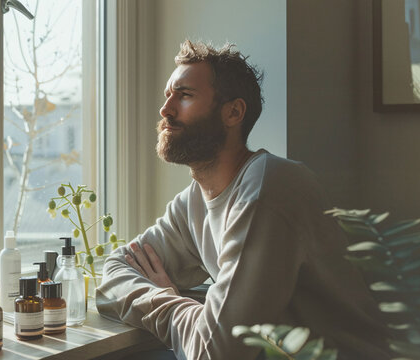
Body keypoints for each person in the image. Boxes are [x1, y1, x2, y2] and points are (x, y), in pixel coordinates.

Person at [95, 40, 390, 360]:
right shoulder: (191, 204)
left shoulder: (270, 188)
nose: (166, 109)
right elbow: (113, 275)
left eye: (184, 95)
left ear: (233, 112)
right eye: (168, 96)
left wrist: (168, 301)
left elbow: (216, 353)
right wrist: (180, 307)